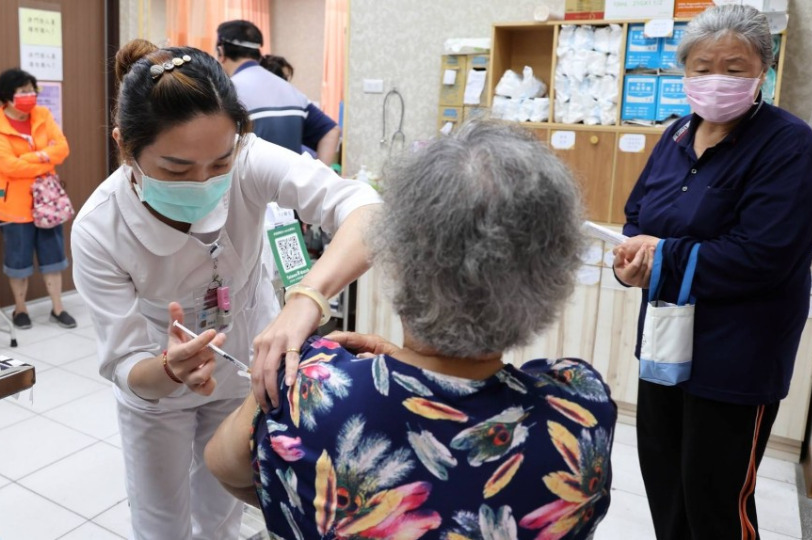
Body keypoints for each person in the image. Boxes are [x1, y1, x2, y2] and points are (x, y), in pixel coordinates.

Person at [205, 120, 617, 539]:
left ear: (399, 260)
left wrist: (281, 376)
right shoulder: (582, 410)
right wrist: (416, 376)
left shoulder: (310, 392)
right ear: (552, 278)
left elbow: (224, 465)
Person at [70, 39, 380, 540]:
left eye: (219, 163)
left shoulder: (251, 160)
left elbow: (365, 210)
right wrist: (168, 370)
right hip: (158, 393)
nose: (203, 182)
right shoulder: (99, 230)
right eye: (176, 169)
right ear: (125, 146)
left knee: (221, 517)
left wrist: (307, 299)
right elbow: (125, 364)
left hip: (243, 371)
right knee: (161, 523)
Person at [613, 6, 812, 539]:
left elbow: (763, 255)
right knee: (664, 484)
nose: (715, 80)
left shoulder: (789, 144)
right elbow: (637, 216)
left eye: (733, 68)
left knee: (717, 501)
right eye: (702, 68)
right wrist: (632, 263)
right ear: (684, 71)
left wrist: (662, 256)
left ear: (762, 71)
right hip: (664, 344)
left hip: (738, 356)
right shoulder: (676, 134)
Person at [0, 68, 77, 330]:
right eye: (23, 91)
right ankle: (20, 309)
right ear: (7, 95)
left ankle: (58, 308)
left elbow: (62, 148)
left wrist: (30, 158)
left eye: (31, 90)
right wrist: (45, 159)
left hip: (47, 202)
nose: (29, 95)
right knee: (18, 262)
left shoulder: (42, 114)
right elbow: (8, 166)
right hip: (14, 205)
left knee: (53, 259)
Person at [216, 20, 341, 166]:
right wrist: (316, 175)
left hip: (248, 180)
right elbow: (331, 131)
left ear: (221, 52)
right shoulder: (291, 92)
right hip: (291, 180)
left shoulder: (227, 93)